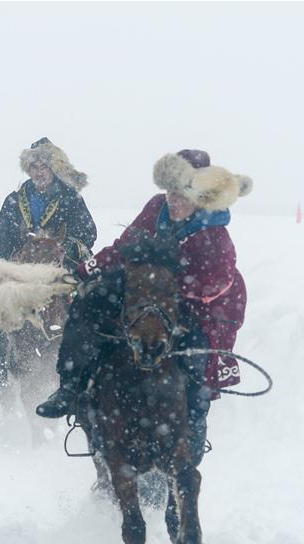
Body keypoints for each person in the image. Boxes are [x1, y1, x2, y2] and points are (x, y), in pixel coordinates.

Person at [36, 149, 252, 462]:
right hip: (147, 289)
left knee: (194, 364)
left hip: (199, 308)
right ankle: (70, 387)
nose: (174, 201)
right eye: (170, 193)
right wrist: (83, 273)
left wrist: (163, 283)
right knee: (89, 305)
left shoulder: (214, 234)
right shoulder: (156, 208)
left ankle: (191, 435)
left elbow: (214, 282)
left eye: (182, 196)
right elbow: (124, 247)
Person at [0, 137, 97, 390]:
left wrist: (61, 247)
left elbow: (88, 233)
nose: (38, 172)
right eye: (33, 167)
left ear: (53, 169)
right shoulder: (14, 200)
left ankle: (84, 360)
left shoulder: (70, 199)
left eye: (43, 167)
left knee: (86, 301)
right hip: (19, 268)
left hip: (59, 266)